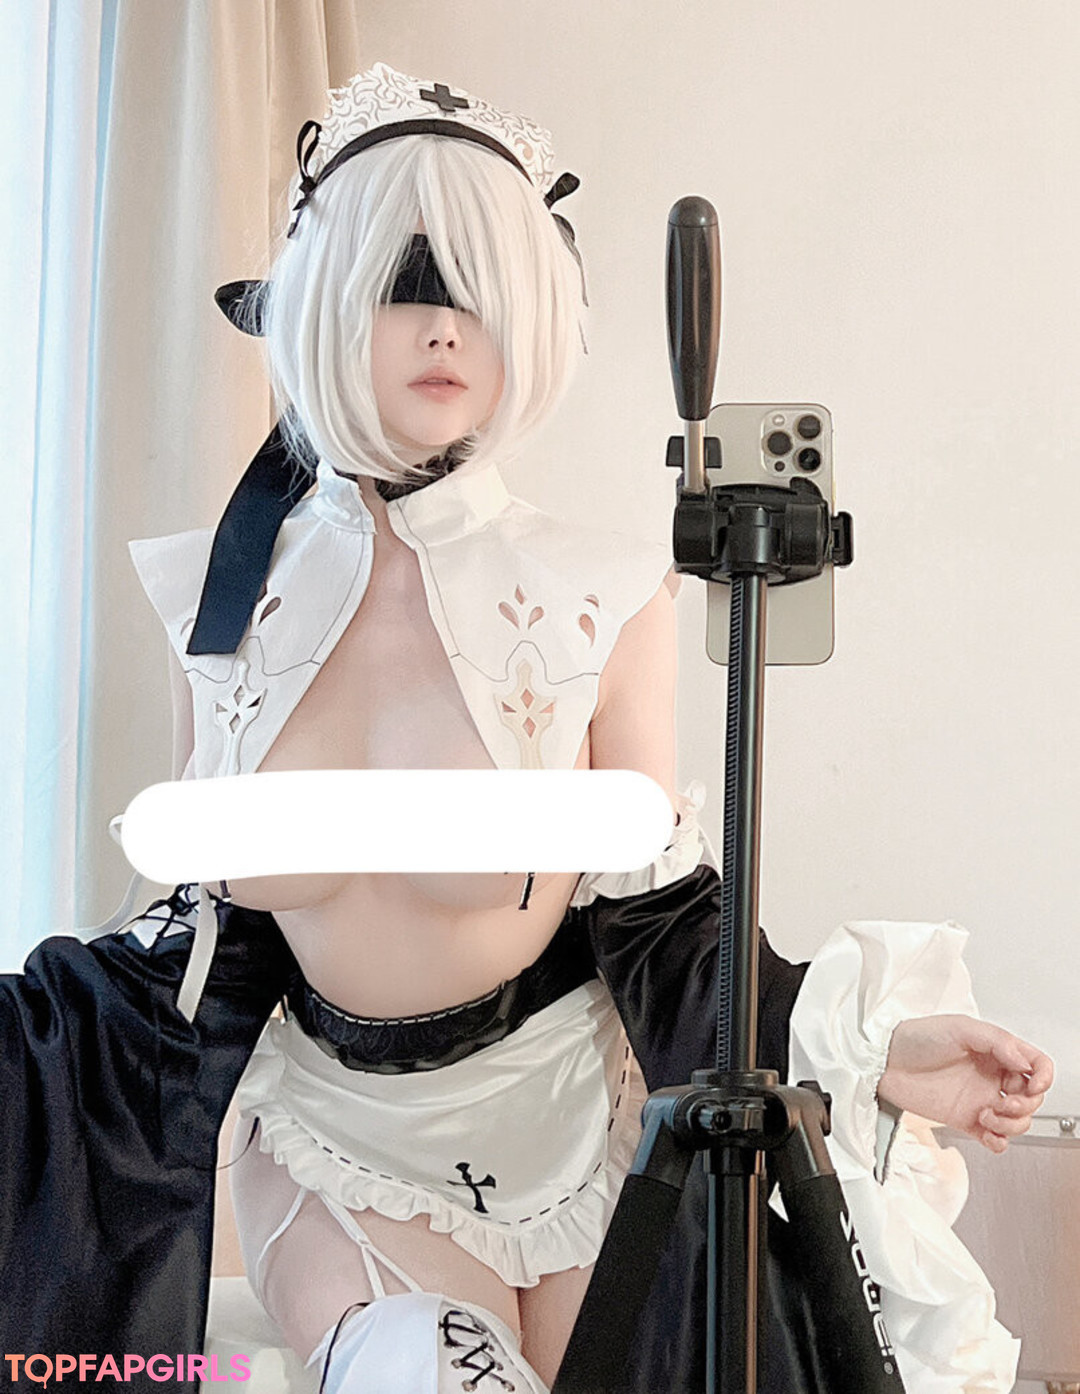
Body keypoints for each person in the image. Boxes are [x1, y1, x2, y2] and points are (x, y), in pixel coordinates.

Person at [1, 62, 1050, 1394]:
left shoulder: (603, 596)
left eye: (481, 290)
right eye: (404, 281)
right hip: (339, 1149)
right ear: (320, 298)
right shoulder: (218, 608)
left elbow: (665, 925)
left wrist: (878, 1048)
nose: (447, 326)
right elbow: (190, 942)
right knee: (433, 1373)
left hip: (583, 1131)